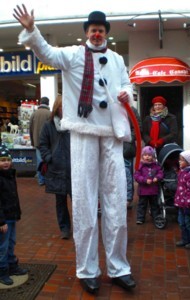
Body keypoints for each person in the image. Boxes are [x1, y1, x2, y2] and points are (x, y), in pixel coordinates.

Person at [13, 5, 136, 294]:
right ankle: (87, 269)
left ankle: (119, 267)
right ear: (86, 33)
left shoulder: (117, 59)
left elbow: (128, 84)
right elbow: (46, 53)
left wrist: (126, 93)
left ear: (106, 33)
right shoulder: (73, 55)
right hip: (82, 133)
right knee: (83, 201)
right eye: (93, 30)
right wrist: (32, 29)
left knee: (117, 202)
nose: (96, 34)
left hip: (112, 136)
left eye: (101, 30)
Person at [39, 95, 72, 240]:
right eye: (62, 106)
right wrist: (48, 157)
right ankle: (64, 228)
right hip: (56, 169)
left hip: (73, 169)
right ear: (56, 108)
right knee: (60, 202)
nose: (64, 109)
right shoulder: (49, 125)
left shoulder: (73, 124)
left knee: (77, 201)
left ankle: (80, 228)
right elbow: (43, 144)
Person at [0, 144, 28, 285]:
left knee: (11, 242)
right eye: (2, 160)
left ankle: (12, 265)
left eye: (7, 159)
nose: (5, 162)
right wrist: (1, 221)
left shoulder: (10, 175)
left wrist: (17, 213)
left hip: (12, 216)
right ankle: (2, 271)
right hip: (3, 220)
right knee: (3, 246)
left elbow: (13, 196)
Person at [134, 146, 164, 224]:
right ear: (142, 156)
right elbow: (136, 176)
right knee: (142, 205)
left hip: (153, 190)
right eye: (145, 155)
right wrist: (144, 180)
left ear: (152, 156)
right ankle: (140, 218)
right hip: (143, 191)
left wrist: (157, 178)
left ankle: (156, 218)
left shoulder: (156, 165)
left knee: (154, 205)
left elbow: (161, 173)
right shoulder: (140, 166)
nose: (147, 157)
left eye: (149, 155)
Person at [29, 96, 51, 186]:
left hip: (37, 141)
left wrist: (32, 141)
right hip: (48, 142)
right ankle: (48, 179)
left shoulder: (34, 114)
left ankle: (41, 180)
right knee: (48, 159)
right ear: (48, 103)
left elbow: (30, 128)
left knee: (39, 160)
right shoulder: (50, 114)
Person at [123, 106, 142, 209]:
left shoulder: (132, 109)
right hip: (112, 146)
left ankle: (128, 198)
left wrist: (129, 138)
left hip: (126, 147)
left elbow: (138, 126)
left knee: (127, 175)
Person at [174, 150, 190, 249]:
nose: (179, 162)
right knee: (181, 222)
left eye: (182, 160)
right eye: (179, 160)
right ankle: (185, 239)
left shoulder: (188, 174)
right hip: (181, 203)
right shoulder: (182, 172)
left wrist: (188, 202)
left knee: (188, 223)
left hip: (187, 204)